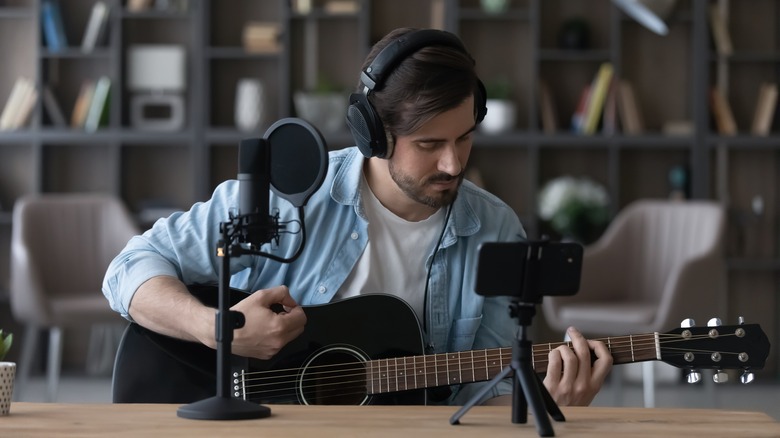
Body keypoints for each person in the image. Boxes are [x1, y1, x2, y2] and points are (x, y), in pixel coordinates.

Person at [102, 27, 612, 407]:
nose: (454, 163)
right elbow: (129, 268)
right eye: (429, 145)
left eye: (464, 137)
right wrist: (217, 329)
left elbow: (482, 393)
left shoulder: (497, 229)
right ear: (373, 135)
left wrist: (545, 402)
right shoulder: (287, 194)